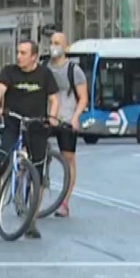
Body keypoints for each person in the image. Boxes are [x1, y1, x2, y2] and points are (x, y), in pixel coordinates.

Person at [0, 40, 59, 239]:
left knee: (38, 174)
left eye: (23, 53)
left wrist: (53, 118)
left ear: (34, 57)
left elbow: (54, 99)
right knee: (1, 161)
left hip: (37, 125)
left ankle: (31, 221)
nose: (19, 56)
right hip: (13, 122)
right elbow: (0, 91)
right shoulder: (9, 71)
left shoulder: (45, 75)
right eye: (18, 52)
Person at [46, 32, 88, 217]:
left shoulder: (74, 71)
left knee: (68, 159)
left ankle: (65, 201)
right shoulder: (43, 67)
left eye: (57, 43)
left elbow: (83, 97)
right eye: (51, 42)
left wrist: (76, 117)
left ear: (66, 47)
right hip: (46, 117)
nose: (53, 46)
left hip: (66, 119)